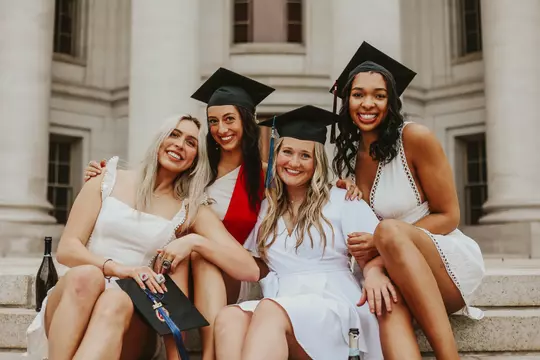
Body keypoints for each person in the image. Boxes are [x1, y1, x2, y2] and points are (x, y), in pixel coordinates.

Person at [84, 68, 361, 359]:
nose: (221, 129)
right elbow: (153, 185)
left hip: (230, 273)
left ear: (247, 119)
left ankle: (209, 354)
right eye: (213, 121)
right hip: (171, 269)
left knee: (202, 255)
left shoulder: (265, 178)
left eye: (229, 119)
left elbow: (304, 183)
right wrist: (104, 175)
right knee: (192, 255)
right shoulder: (194, 169)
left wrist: (340, 184)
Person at [26, 114, 258, 360]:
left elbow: (250, 270)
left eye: (191, 143)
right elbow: (68, 250)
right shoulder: (106, 179)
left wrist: (195, 241)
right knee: (87, 275)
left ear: (196, 159)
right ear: (160, 139)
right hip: (74, 300)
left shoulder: (190, 210)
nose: (180, 144)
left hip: (129, 316)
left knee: (116, 300)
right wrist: (123, 270)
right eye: (174, 134)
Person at [331, 42, 486, 360]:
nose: (367, 103)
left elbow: (449, 216)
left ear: (391, 102)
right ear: (347, 100)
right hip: (393, 272)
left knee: (388, 231)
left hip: (443, 267)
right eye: (358, 94)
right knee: (384, 300)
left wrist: (377, 246)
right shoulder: (346, 159)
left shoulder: (414, 138)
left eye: (379, 95)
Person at [214, 105, 384, 360]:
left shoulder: (342, 200)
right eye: (287, 152)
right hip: (281, 300)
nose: (293, 163)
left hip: (331, 302)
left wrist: (375, 272)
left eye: (305, 155)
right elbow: (254, 265)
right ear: (276, 154)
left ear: (317, 161)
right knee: (230, 316)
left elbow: (378, 248)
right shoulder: (266, 207)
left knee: (271, 310)